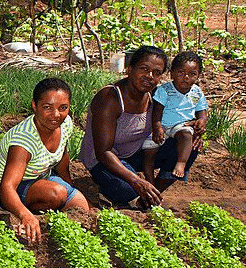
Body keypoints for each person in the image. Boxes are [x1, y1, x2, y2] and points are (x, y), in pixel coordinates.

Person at [80, 45, 200, 209]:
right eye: (144, 69)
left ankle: (150, 195)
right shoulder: (110, 98)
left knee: (190, 145)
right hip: (103, 159)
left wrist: (193, 129)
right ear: (130, 69)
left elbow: (178, 120)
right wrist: (136, 180)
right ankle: (110, 187)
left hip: (135, 154)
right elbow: (103, 152)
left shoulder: (156, 96)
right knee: (128, 190)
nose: (149, 76)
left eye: (157, 73)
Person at [0, 78, 90, 242]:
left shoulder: (65, 124)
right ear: (34, 106)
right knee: (56, 194)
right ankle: (30, 213)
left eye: (63, 108)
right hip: (6, 188)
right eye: (47, 107)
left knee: (82, 209)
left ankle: (48, 212)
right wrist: (25, 216)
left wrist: (70, 185)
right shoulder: (23, 141)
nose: (56, 115)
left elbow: (62, 154)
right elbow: (7, 186)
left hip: (40, 177)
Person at [142, 51, 208, 180]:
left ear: (198, 76)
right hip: (162, 125)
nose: (186, 77)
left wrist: (202, 121)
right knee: (148, 152)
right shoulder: (165, 90)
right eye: (181, 73)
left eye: (192, 74)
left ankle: (181, 163)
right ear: (172, 73)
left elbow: (202, 112)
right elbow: (157, 110)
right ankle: (149, 180)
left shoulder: (197, 92)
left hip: (182, 125)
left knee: (186, 136)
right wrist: (157, 127)